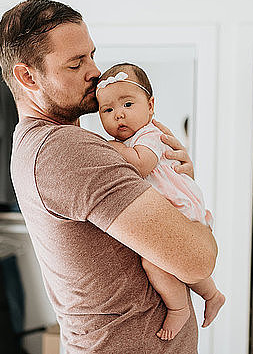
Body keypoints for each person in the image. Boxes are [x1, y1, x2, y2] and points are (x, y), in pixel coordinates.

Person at [0, 0, 217, 353]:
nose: (95, 71)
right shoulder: (66, 150)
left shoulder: (44, 144)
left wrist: (174, 180)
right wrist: (191, 207)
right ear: (27, 76)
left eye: (91, 55)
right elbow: (197, 259)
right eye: (75, 63)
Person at [95, 63, 225, 341]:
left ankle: (178, 308)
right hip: (173, 206)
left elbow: (142, 165)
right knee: (179, 260)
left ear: (151, 106)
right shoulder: (132, 140)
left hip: (178, 206)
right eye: (107, 110)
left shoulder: (150, 135)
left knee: (155, 262)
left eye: (128, 104)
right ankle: (212, 294)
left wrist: (115, 148)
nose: (119, 114)